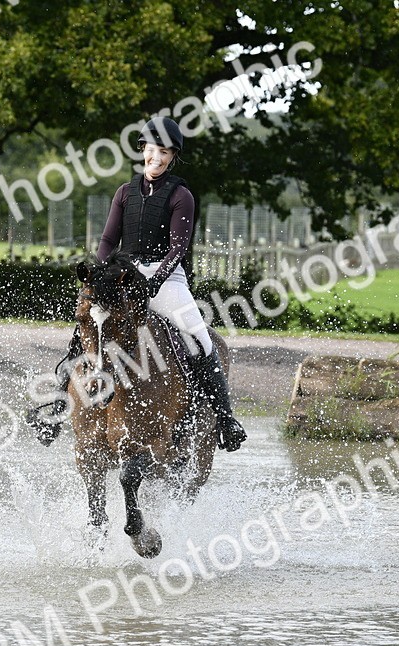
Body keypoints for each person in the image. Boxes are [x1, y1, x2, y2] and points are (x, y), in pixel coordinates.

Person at [26, 116, 247, 452]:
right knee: (84, 332)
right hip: (124, 274)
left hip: (166, 277)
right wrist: (99, 274)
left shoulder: (181, 195)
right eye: (151, 150)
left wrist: (155, 282)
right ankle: (58, 407)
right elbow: (108, 238)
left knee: (201, 339)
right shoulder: (124, 193)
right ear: (142, 150)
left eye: (164, 152)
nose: (156, 158)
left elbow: (178, 248)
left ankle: (225, 418)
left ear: (173, 156)